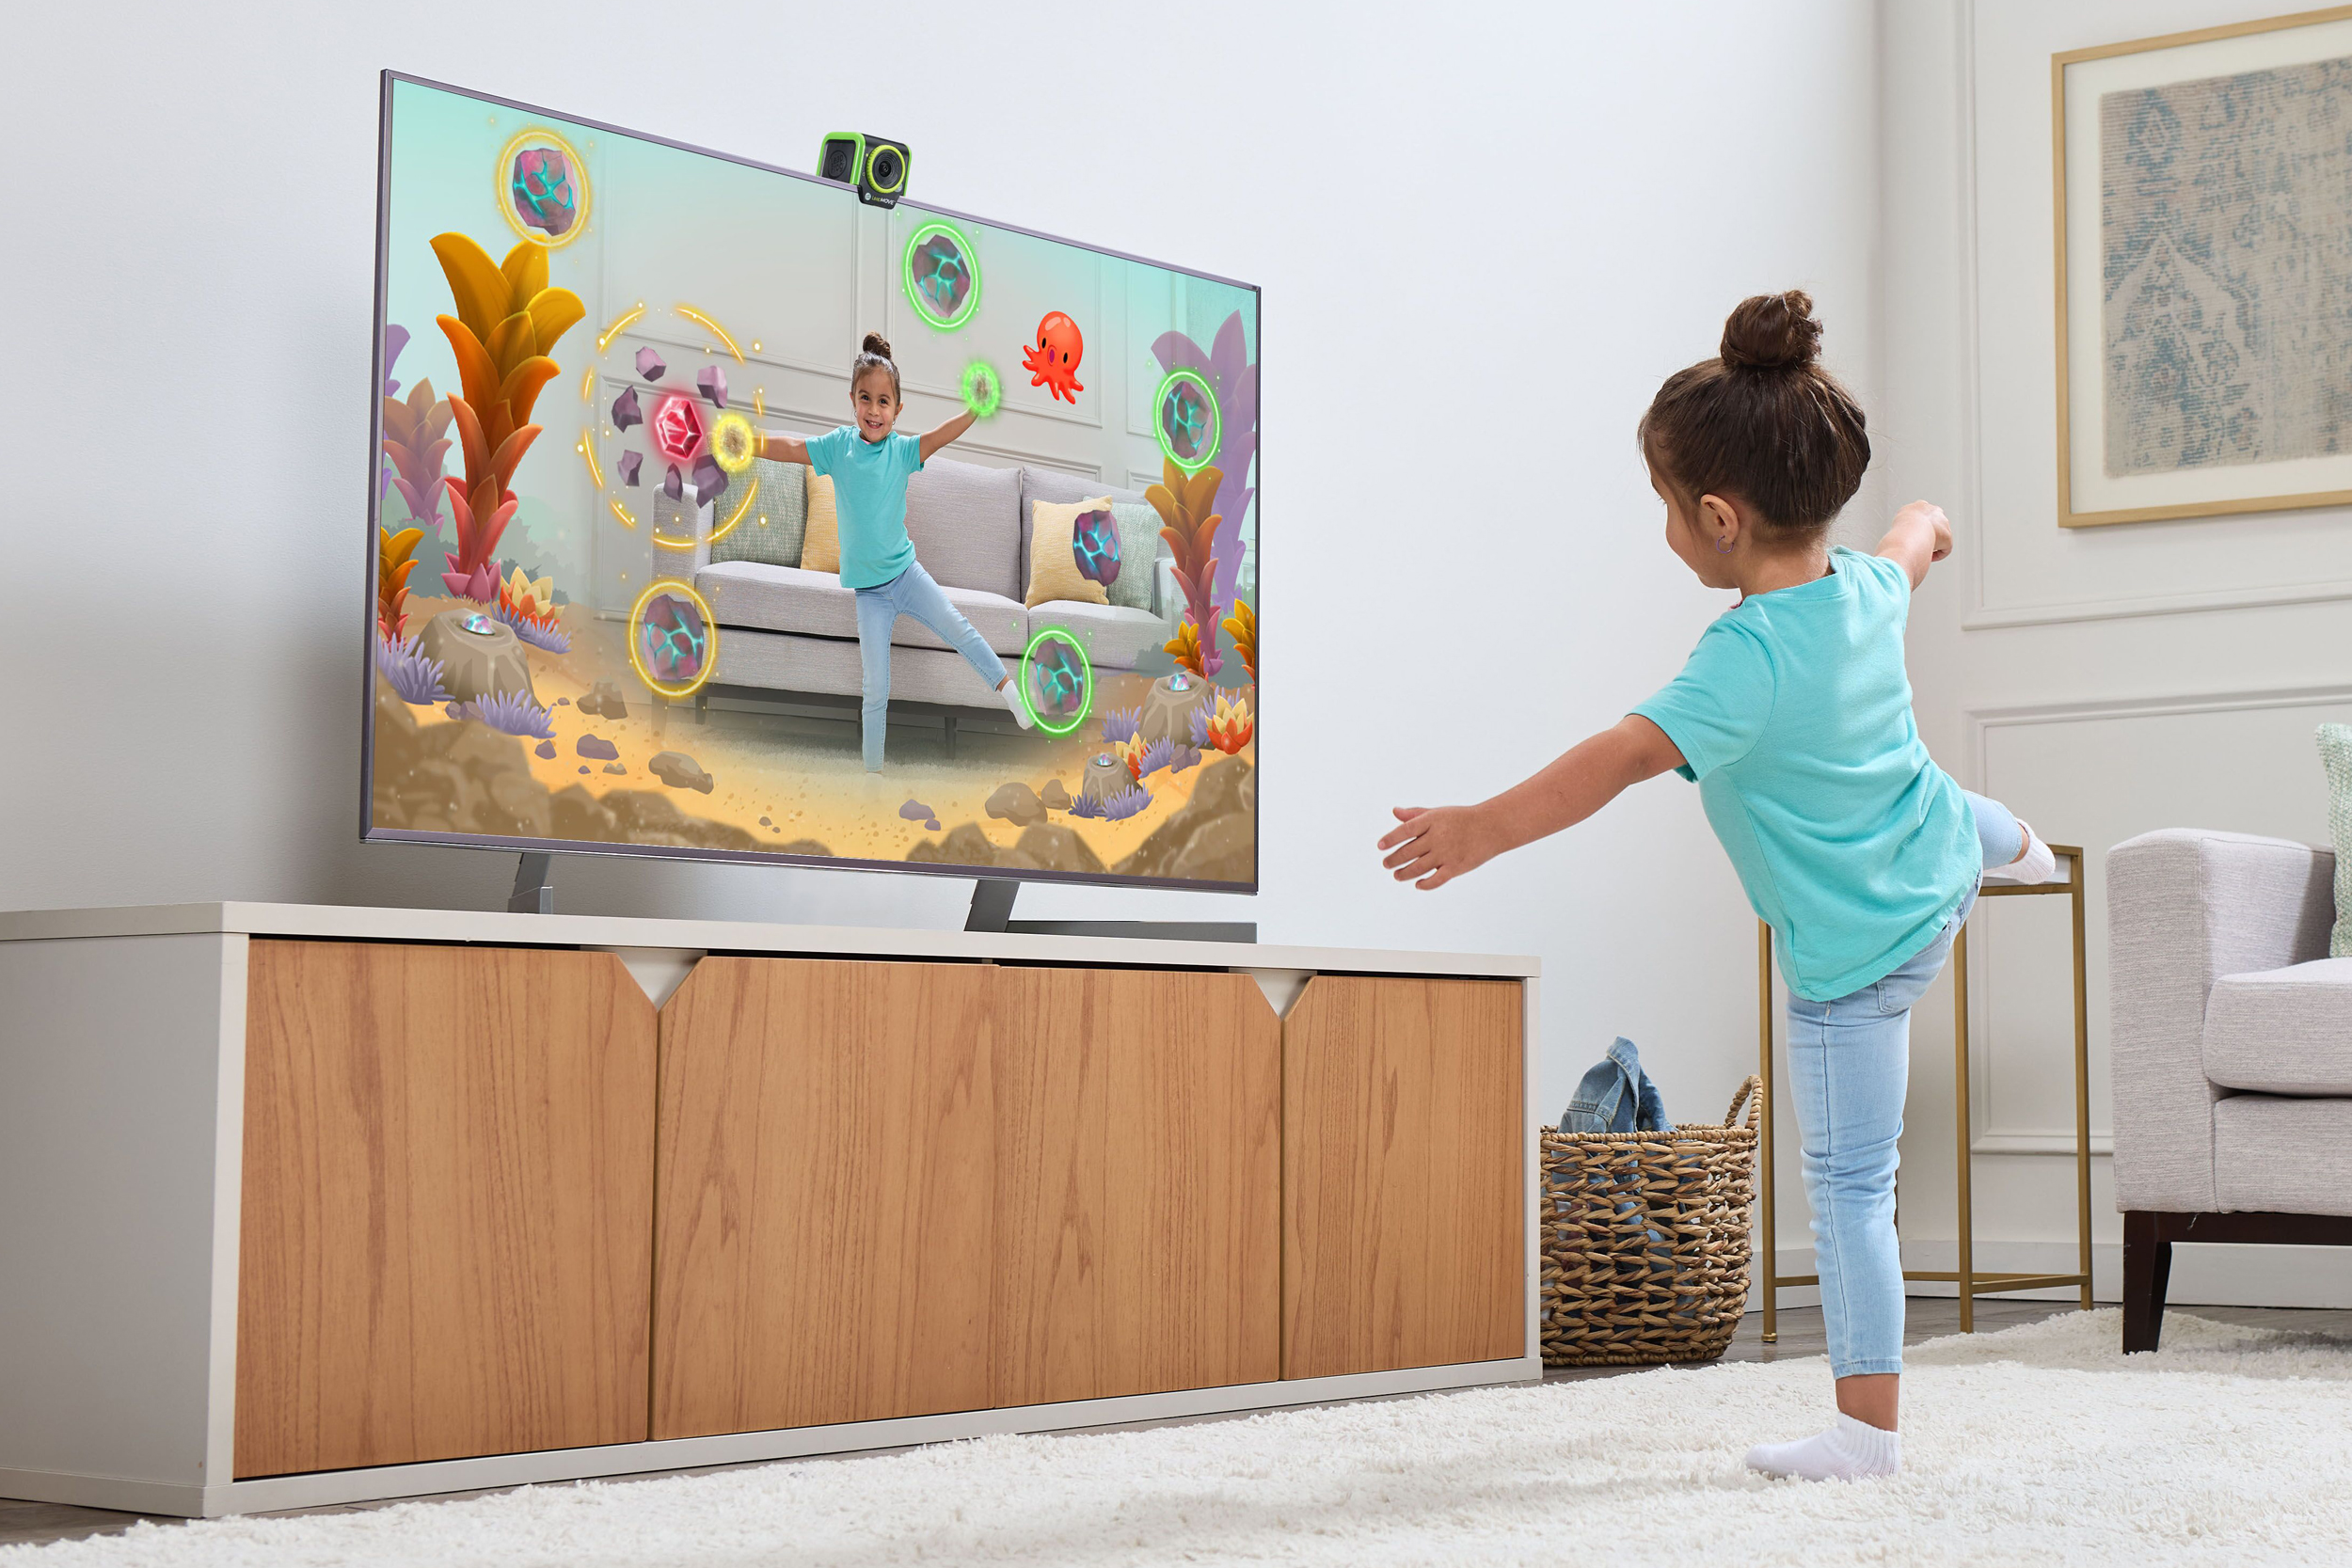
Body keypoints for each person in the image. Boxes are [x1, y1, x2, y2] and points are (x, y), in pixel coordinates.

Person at [1375, 291, 2056, 1482]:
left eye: (1665, 511)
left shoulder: (1737, 665)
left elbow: (1614, 761)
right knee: (1942, 803)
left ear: (1719, 516)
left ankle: (1864, 1435)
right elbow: (1905, 551)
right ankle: (2020, 844)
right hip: (1933, 866)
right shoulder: (1859, 589)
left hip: (1857, 957)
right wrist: (1927, 519)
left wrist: (1481, 826)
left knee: (1850, 1184)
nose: (1666, 533)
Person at [760, 332, 1030, 769]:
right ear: (852, 399)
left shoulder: (903, 451)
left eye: (884, 402)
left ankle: (1012, 696)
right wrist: (748, 443)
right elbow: (791, 448)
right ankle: (873, 776)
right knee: (876, 686)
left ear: (897, 410)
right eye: (865, 398)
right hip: (869, 594)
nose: (873, 410)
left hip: (907, 576)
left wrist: (974, 411)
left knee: (960, 629)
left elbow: (941, 436)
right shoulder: (837, 447)